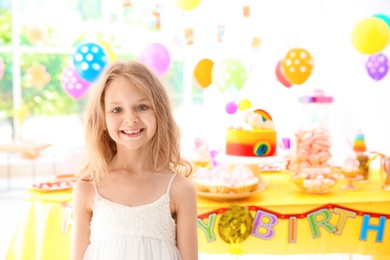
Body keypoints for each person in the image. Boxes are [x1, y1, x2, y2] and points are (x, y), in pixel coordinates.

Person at [71, 60, 198, 260]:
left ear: (159, 113)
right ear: (103, 119)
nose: (131, 119)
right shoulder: (87, 187)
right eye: (117, 110)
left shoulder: (180, 189)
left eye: (141, 106)